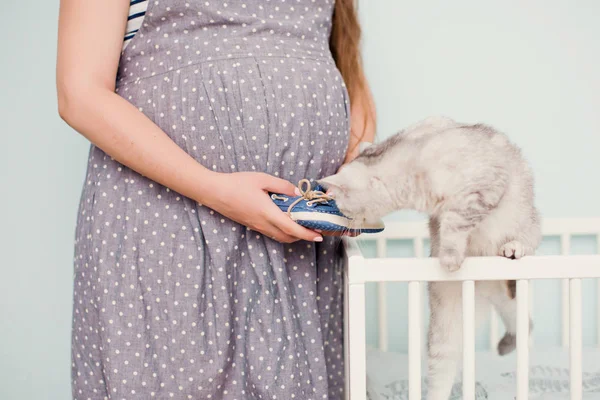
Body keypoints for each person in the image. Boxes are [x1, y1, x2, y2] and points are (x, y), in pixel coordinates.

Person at [56, 0, 376, 398]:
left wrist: (355, 157)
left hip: (300, 244)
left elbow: (341, 54)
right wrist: (214, 188)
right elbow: (79, 91)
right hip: (166, 222)